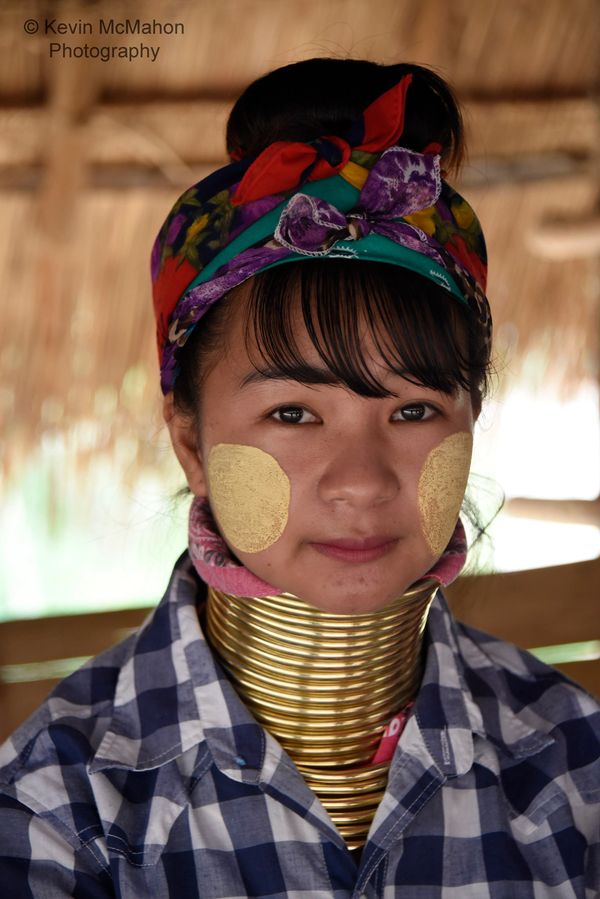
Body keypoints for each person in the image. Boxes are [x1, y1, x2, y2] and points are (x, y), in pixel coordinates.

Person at [0, 57, 598, 898]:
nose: (361, 481)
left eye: (416, 409)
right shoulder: (57, 810)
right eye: (292, 414)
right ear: (191, 443)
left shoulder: (576, 771)